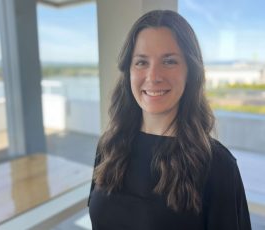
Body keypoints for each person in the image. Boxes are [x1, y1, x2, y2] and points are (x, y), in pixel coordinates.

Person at [88, 10, 252, 230]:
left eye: (169, 61)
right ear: (128, 71)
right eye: (141, 62)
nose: (153, 76)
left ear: (190, 72)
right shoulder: (109, 145)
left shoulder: (218, 166)